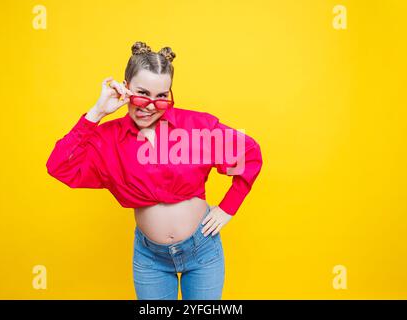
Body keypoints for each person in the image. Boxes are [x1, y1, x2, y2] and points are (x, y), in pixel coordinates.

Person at [46, 41, 263, 300]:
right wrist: (96, 113)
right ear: (125, 89)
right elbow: (59, 166)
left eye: (161, 97)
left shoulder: (195, 126)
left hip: (203, 251)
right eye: (142, 93)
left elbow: (248, 153)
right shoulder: (107, 139)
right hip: (150, 258)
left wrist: (228, 208)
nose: (150, 106)